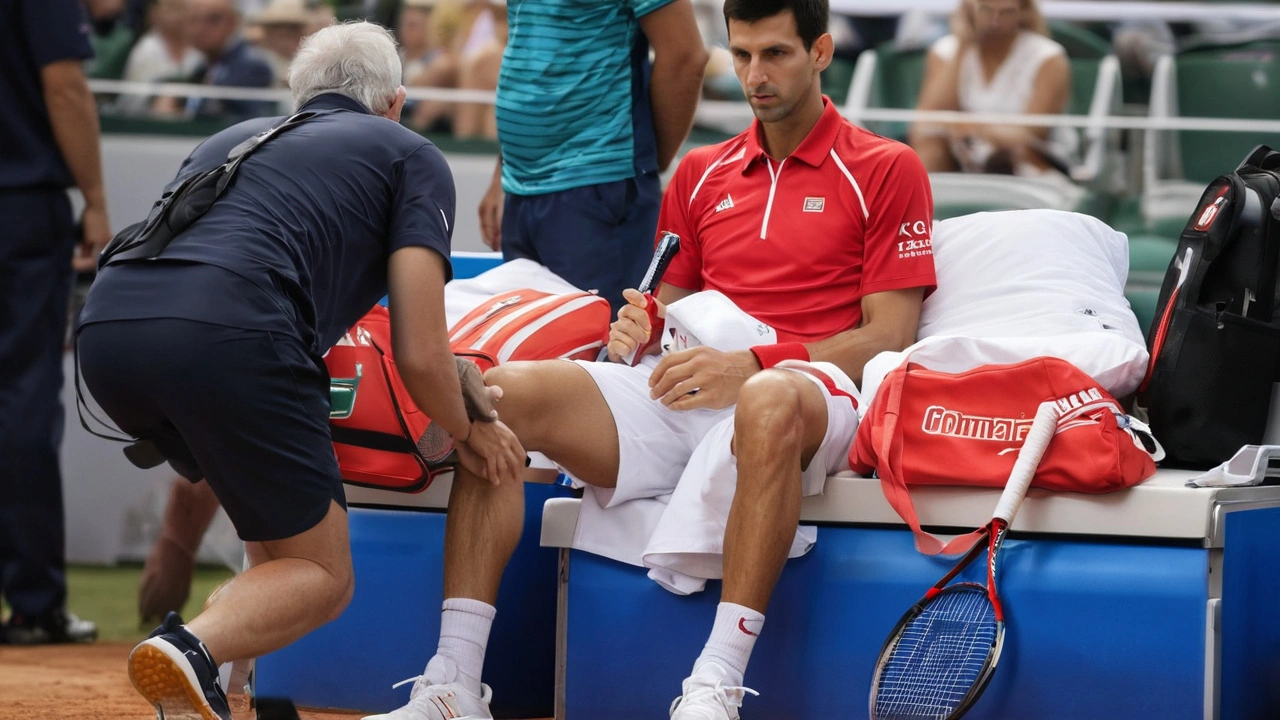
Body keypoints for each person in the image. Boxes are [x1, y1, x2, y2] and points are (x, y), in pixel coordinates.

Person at [367, 1, 935, 718]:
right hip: (693, 388)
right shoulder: (700, 171)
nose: (756, 75)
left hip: (804, 388)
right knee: (500, 396)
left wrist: (753, 364)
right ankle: (453, 683)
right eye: (743, 55)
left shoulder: (886, 167)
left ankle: (716, 686)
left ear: (822, 51)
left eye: (777, 55)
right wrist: (642, 326)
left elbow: (889, 335)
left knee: (764, 401)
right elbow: (664, 306)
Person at [76, 21, 525, 720]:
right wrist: (468, 428)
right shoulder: (410, 152)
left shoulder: (227, 138)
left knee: (279, 533)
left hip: (108, 336)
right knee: (323, 573)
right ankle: (195, 648)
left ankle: (212, 687)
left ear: (298, 94)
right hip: (230, 335)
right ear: (396, 102)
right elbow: (420, 352)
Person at [476, 0, 707, 312]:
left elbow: (685, 57)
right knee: (525, 350)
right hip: (522, 189)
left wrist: (648, 162)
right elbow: (534, 48)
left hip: (598, 183)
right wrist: (503, 173)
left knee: (595, 353)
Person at [0, 0, 108, 647]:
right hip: (17, 207)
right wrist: (95, 199)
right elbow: (64, 85)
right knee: (22, 394)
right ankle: (34, 601)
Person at [909, 0, 1075, 176]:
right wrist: (963, 45)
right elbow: (927, 120)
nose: (995, 20)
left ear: (1023, 11)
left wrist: (971, 128)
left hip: (1027, 162)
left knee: (1009, 154)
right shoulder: (945, 51)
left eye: (1006, 12)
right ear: (968, 9)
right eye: (986, 10)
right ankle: (925, 200)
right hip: (963, 157)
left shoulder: (1049, 57)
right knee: (929, 146)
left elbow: (1033, 136)